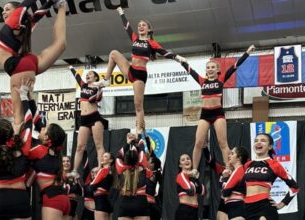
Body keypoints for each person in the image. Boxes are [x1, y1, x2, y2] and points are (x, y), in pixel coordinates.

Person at [96, 7, 181, 136]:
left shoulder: (151, 43)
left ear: (149, 29)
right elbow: (127, 26)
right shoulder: (135, 38)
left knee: (138, 105)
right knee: (113, 53)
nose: (140, 27)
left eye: (144, 25)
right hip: (130, 69)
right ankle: (106, 80)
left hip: (139, 75)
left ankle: (139, 130)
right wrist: (121, 13)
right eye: (139, 25)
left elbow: (164, 52)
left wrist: (178, 58)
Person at [175, 45, 256, 176]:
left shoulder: (221, 80)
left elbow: (235, 66)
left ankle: (229, 168)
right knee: (198, 142)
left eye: (213, 67)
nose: (210, 69)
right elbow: (190, 70)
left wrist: (247, 53)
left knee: (223, 143)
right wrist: (181, 61)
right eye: (208, 67)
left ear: (217, 69)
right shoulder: (202, 81)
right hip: (205, 113)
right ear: (206, 70)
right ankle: (194, 169)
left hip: (218, 113)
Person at [0, 0, 67, 125]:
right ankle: (62, 6)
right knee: (60, 44)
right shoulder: (25, 26)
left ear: (17, 11)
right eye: (3, 10)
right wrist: (51, 3)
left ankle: (21, 143)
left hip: (18, 66)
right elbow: (38, 15)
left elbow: (26, 4)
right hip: (28, 63)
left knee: (19, 119)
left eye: (7, 9)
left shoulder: (13, 23)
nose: (3, 12)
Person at [0, 82, 33, 220]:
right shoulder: (22, 146)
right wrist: (24, 95)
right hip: (19, 199)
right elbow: (29, 120)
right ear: (11, 133)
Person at [244, 133, 299, 220]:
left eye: (263, 141)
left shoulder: (274, 164)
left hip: (264, 207)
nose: (258, 143)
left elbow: (294, 187)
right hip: (246, 207)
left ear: (270, 147)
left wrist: (281, 204)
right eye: (256, 141)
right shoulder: (247, 165)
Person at [68, 66, 106, 178]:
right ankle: (75, 170)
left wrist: (100, 89)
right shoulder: (83, 85)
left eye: (90, 74)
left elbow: (97, 99)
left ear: (95, 77)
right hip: (83, 119)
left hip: (94, 117)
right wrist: (71, 68)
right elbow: (77, 77)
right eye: (87, 74)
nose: (88, 75)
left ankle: (100, 167)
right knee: (80, 146)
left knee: (98, 145)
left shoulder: (98, 87)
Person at [28, 123, 69, 220]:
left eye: (45, 128)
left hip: (53, 199)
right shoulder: (57, 155)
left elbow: (22, 156)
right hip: (64, 199)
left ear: (47, 137)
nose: (41, 128)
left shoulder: (40, 150)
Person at [116, 133, 151, 220]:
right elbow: (142, 152)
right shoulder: (142, 168)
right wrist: (139, 139)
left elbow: (119, 155)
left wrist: (128, 142)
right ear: (138, 159)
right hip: (141, 204)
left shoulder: (121, 169)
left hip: (124, 204)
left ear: (125, 160)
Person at [220, 146, 249, 220]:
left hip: (237, 210)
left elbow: (225, 192)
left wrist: (225, 178)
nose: (229, 156)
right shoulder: (238, 171)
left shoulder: (239, 170)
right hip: (234, 209)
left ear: (239, 158)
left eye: (232, 154)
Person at [175, 154, 205, 220]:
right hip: (185, 211)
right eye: (183, 160)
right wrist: (190, 175)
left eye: (188, 159)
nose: (186, 160)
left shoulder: (193, 178)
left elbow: (203, 191)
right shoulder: (180, 175)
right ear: (180, 165)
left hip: (195, 211)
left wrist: (195, 178)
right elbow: (190, 191)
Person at [90, 152, 115, 220]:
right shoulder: (111, 172)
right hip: (107, 203)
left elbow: (91, 187)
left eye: (105, 156)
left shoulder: (103, 170)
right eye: (102, 156)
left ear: (110, 160)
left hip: (100, 203)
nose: (102, 158)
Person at [146, 155, 163, 220]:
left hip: (151, 205)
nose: (147, 162)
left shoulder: (154, 175)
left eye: (149, 161)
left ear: (153, 165)